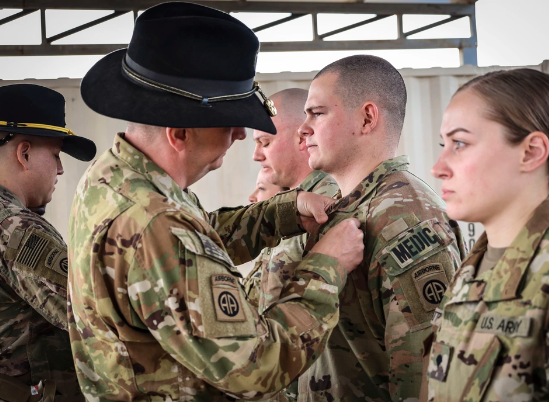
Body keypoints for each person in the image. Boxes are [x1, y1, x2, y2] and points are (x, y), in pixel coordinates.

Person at [68, 3, 364, 401]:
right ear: (180, 132)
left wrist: (282, 211)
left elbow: (195, 239)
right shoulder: (154, 221)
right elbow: (254, 367)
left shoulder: (116, 178)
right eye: (229, 121)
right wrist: (326, 266)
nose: (241, 134)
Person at [295, 55, 467, 401]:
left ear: (367, 117)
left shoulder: (408, 220)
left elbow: (422, 379)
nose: (303, 129)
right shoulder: (343, 207)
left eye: (317, 113)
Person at [422, 69, 549, 401]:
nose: (438, 168)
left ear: (531, 152)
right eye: (444, 144)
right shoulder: (471, 269)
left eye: (460, 143)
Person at [0, 84, 96, 401]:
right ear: (24, 153)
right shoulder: (16, 228)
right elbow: (90, 311)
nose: (60, 169)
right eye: (55, 154)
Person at [243, 89, 339, 401]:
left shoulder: (328, 206)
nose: (257, 155)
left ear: (300, 138)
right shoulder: (292, 208)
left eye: (264, 142)